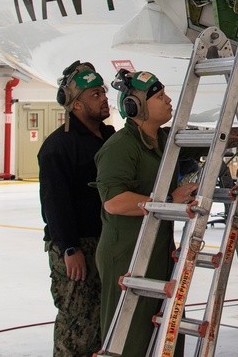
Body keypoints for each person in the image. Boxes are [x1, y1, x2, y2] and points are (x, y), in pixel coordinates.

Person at [94, 69, 203, 357]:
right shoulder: (119, 147)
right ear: (135, 107)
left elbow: (212, 141)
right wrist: (168, 200)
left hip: (158, 250)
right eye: (160, 96)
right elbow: (114, 202)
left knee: (164, 332)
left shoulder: (165, 141)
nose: (169, 101)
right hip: (126, 256)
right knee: (128, 337)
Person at [38, 60, 114, 357]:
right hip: (76, 246)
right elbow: (55, 204)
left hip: (104, 242)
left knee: (103, 320)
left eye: (103, 92)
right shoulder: (58, 146)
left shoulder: (110, 139)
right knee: (77, 325)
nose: (104, 98)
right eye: (95, 95)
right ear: (77, 105)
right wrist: (70, 248)